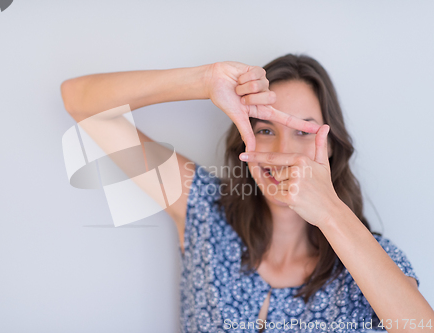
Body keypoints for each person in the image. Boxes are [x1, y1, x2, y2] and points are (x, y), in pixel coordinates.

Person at [60, 54, 434, 332]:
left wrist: (330, 212)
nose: (283, 150)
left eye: (304, 131)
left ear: (332, 146)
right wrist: (203, 81)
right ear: (245, 138)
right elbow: (79, 100)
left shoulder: (377, 261)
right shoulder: (204, 210)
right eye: (266, 130)